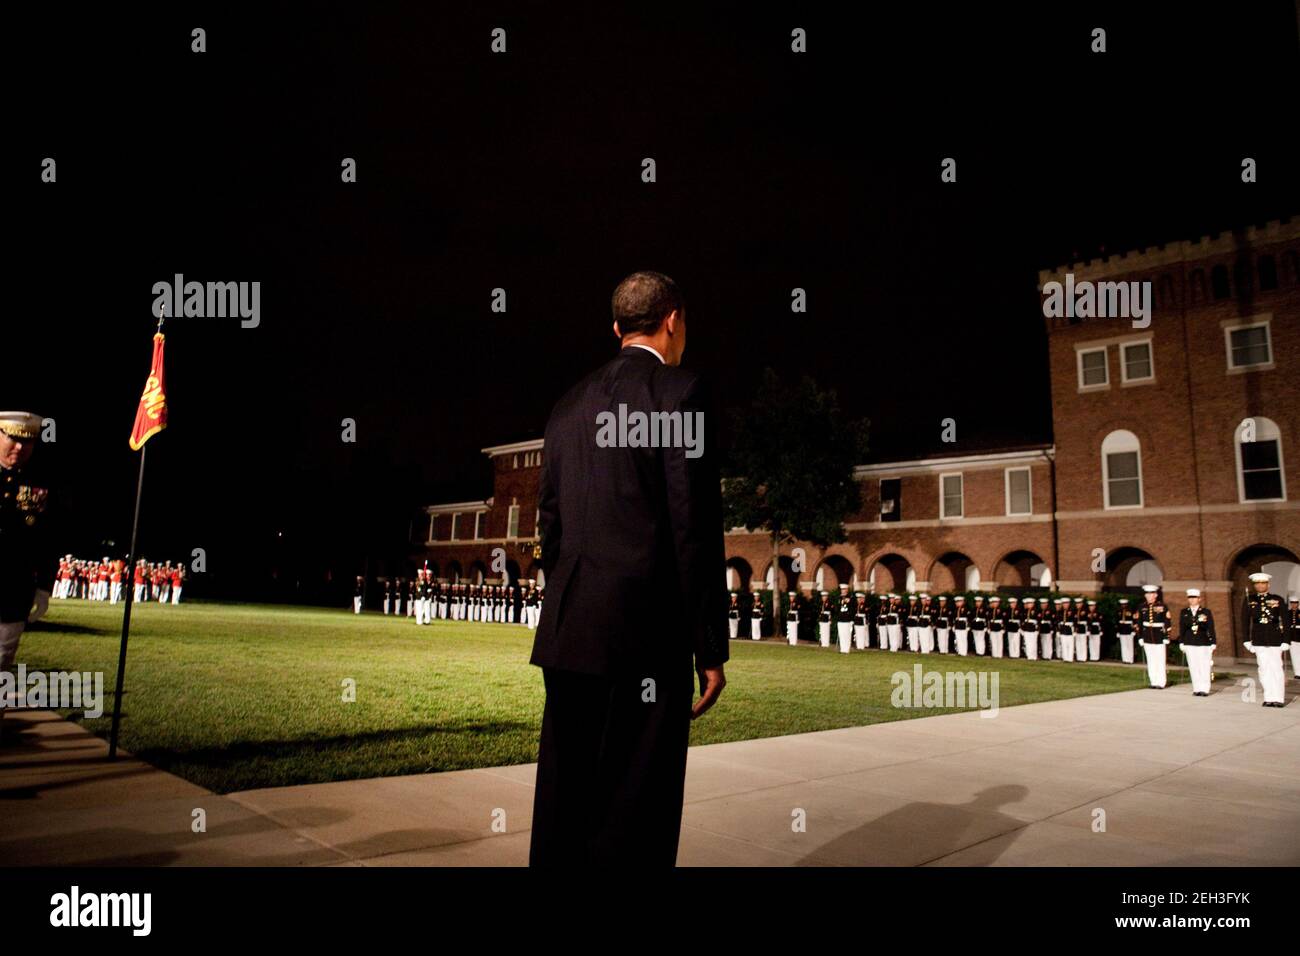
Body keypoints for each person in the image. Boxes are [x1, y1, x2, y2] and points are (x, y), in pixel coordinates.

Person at [528, 270, 727, 866]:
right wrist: (709, 646)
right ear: (673, 320)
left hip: (569, 633)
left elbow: (550, 523)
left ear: (617, 328)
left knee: (564, 802)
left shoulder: (567, 405)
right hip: (645, 637)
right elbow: (692, 529)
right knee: (636, 809)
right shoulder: (680, 392)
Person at [0, 412, 54, 724]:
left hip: (13, 590)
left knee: (3, 657)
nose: (20, 447)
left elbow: (48, 539)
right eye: (13, 438)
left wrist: (44, 586)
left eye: (28, 441)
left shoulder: (40, 484)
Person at [1241, 572, 1287, 707]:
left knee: (1276, 668)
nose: (1260, 585)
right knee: (1263, 669)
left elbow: (1286, 620)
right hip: (1258, 638)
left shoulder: (1277, 599)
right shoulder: (1249, 600)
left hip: (1275, 638)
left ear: (1268, 584)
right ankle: (1269, 697)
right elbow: (1244, 621)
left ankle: (1278, 698)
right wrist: (1246, 640)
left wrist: (1286, 640)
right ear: (1254, 585)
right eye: (1257, 583)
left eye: (1263, 583)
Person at [1177, 588, 1216, 696]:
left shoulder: (1205, 612)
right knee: (1193, 666)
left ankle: (1205, 688)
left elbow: (1210, 627)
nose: (1192, 600)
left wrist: (1213, 642)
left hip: (1203, 642)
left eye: (1194, 598)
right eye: (1190, 598)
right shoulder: (1184, 612)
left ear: (1199, 599)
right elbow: (1182, 628)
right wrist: (1181, 642)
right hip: (1189, 642)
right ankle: (1196, 688)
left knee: (1204, 666)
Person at [1137, 584, 1171, 689]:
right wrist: (1140, 637)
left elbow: (1167, 622)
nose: (1148, 596)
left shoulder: (1162, 606)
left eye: (1151, 593)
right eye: (1147, 594)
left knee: (1160, 660)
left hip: (1159, 636)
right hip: (1147, 636)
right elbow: (1139, 623)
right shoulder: (1142, 607)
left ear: (1155, 595)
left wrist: (1166, 636)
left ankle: (1161, 682)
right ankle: (1153, 681)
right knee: (1151, 660)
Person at [1115, 597, 1136, 663]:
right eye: (1122, 604)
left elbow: (1134, 620)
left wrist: (1133, 630)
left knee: (1130, 645)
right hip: (1122, 630)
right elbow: (1117, 622)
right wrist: (1117, 631)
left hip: (1129, 629)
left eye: (1124, 604)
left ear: (1127, 604)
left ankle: (1130, 659)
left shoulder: (1131, 611)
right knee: (1123, 645)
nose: (1123, 606)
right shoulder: (1118, 611)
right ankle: (1125, 659)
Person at [836, 584, 853, 653]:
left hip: (847, 619)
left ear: (847, 590)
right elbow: (837, 609)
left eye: (844, 589)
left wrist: (848, 602)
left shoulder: (851, 598)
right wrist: (840, 603)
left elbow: (852, 609)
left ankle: (846, 649)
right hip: (840, 618)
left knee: (847, 634)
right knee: (841, 634)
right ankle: (842, 649)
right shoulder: (839, 598)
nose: (842, 591)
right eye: (842, 589)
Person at [1288, 595, 1300, 680]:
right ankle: (1297, 673)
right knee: (1294, 655)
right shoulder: (1287, 613)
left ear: (1298, 604)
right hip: (1292, 636)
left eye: (1295, 603)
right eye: (1292, 603)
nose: (1294, 604)